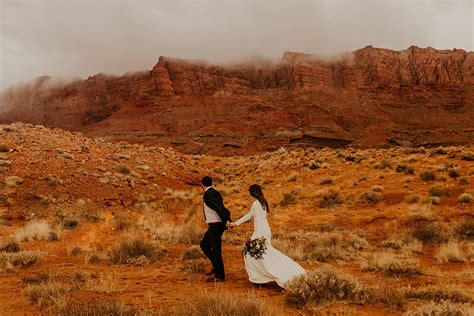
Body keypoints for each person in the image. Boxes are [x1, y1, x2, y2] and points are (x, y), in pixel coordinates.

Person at [228, 184, 305, 288]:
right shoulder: (262, 201)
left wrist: (258, 238)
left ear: (252, 193)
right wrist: (235, 223)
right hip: (265, 230)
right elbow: (250, 215)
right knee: (262, 255)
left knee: (252, 254)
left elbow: (258, 221)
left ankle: (265, 278)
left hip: (261, 232)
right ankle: (260, 279)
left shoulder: (256, 203)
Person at [199, 176, 231, 282]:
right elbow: (220, 206)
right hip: (215, 225)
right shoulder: (216, 192)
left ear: (202, 185)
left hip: (215, 225)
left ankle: (219, 276)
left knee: (216, 250)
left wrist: (226, 220)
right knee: (204, 244)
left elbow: (218, 207)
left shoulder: (208, 194)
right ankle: (215, 265)